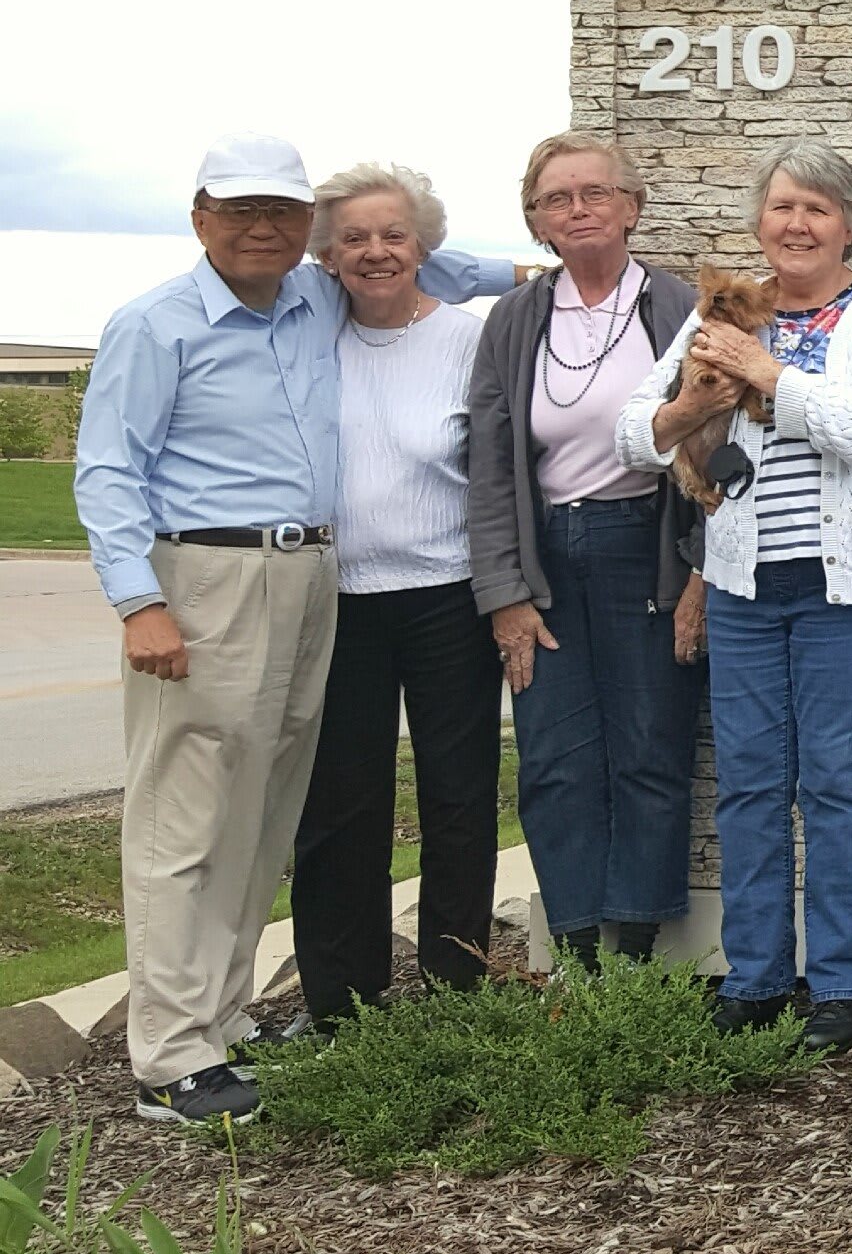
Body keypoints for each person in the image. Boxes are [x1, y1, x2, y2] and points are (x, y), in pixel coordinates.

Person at [75, 133, 518, 1121]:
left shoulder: (311, 299)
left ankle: (222, 1020)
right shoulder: (156, 326)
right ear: (201, 219)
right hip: (201, 579)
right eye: (241, 212)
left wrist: (540, 267)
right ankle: (168, 1056)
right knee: (183, 821)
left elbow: (418, 260)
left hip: (312, 575)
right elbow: (107, 470)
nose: (262, 229)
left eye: (280, 212)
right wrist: (138, 602)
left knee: (261, 814)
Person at [619, 138, 852, 1054]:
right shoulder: (723, 314)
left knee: (835, 785)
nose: (797, 224)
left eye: (818, 210)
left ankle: (843, 984)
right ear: (760, 221)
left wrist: (766, 375)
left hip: (848, 589)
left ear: (847, 227)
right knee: (750, 787)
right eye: (783, 207)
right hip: (743, 587)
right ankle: (755, 979)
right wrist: (687, 409)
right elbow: (637, 433)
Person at [465, 133, 707, 971]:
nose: (578, 210)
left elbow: (714, 447)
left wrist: (698, 579)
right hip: (547, 559)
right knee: (555, 755)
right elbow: (492, 462)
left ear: (632, 207)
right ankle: (573, 946)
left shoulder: (678, 308)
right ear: (537, 220)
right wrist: (503, 590)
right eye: (557, 199)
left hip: (649, 546)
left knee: (650, 744)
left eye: (595, 192)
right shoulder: (515, 319)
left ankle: (636, 945)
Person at [293, 164, 501, 1031]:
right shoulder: (302, 330)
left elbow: (494, 475)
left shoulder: (468, 339)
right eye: (353, 238)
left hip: (448, 596)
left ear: (425, 245)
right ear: (327, 254)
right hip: (337, 598)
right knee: (340, 805)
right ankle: (341, 1000)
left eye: (395, 235)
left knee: (458, 796)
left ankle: (457, 984)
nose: (376, 252)